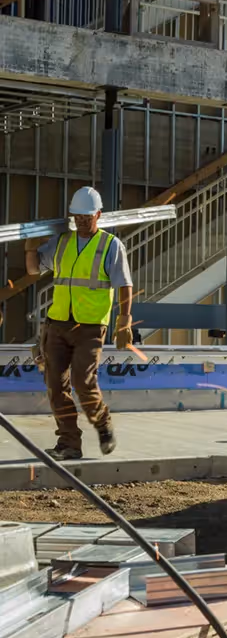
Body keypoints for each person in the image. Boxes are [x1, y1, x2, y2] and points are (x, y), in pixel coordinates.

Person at [24, 187, 134, 460]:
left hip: (90, 327)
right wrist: (29, 245)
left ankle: (102, 423)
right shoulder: (62, 242)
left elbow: (125, 285)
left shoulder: (111, 245)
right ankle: (69, 444)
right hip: (57, 323)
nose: (82, 221)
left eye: (87, 216)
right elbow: (33, 269)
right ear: (71, 215)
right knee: (55, 385)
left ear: (98, 215)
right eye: (77, 216)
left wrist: (124, 322)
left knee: (83, 382)